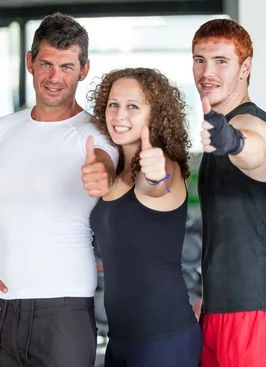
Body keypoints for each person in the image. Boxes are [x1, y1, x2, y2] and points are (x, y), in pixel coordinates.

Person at [0, 12, 118, 367]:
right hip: (4, 305)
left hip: (66, 309)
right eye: (46, 64)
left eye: (66, 67)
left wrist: (102, 173)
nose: (54, 78)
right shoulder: (3, 130)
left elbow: (105, 165)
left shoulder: (97, 134)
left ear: (84, 69)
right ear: (30, 62)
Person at [193, 18, 266, 367]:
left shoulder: (255, 125)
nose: (207, 72)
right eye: (200, 60)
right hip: (218, 311)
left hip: (257, 316)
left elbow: (253, 150)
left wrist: (230, 141)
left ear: (246, 67)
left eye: (221, 61)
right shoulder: (218, 129)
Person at [88, 67, 202, 367]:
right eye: (113, 104)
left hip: (164, 339)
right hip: (120, 338)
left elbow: (157, 185)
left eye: (133, 107)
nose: (119, 115)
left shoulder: (166, 166)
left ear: (156, 116)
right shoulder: (114, 172)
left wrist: (156, 175)